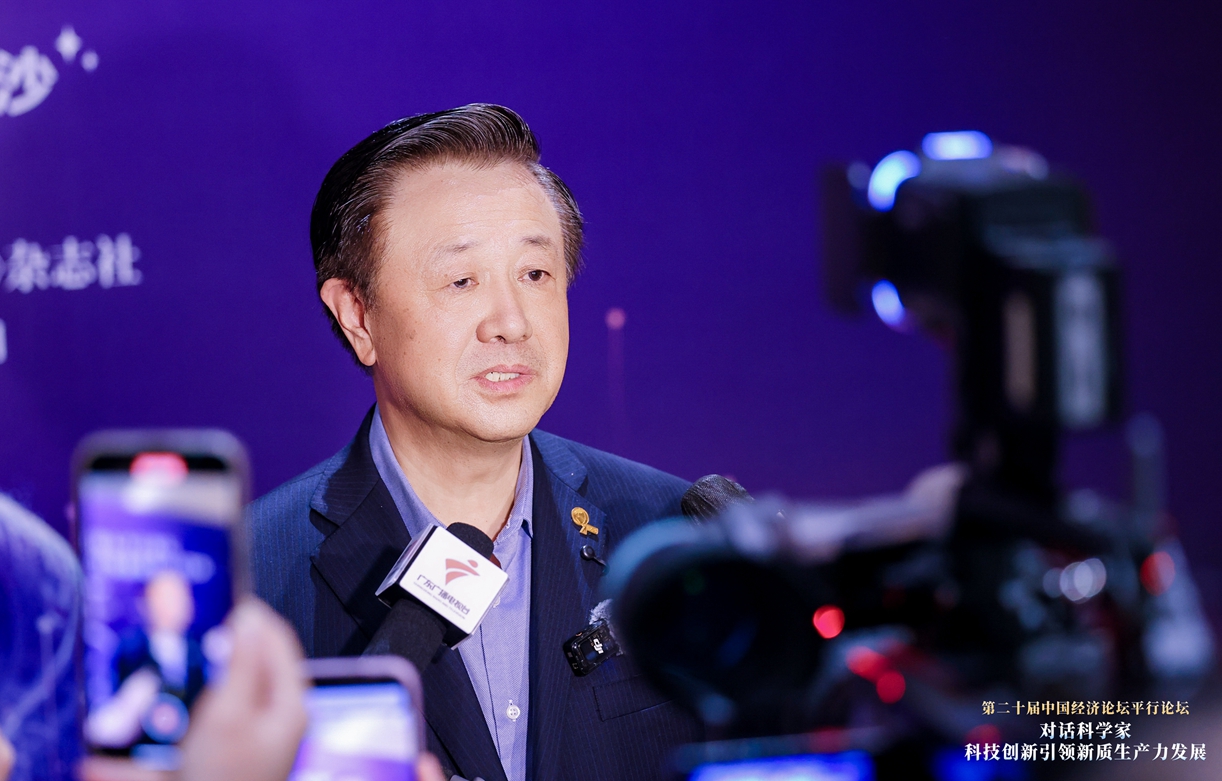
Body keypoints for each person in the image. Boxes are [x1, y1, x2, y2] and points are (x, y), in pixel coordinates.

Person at [249, 104, 702, 781]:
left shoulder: (672, 537)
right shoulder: (252, 581)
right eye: (462, 281)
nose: (511, 322)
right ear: (358, 315)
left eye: (535, 275)